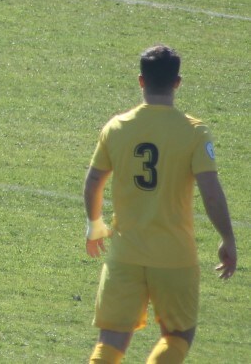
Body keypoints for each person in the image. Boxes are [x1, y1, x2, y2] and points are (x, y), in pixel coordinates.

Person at [83, 45, 237, 364]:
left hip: (125, 254)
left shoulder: (117, 127)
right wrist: (228, 238)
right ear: (177, 82)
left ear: (141, 81)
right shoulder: (193, 132)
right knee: (177, 336)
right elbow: (210, 192)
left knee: (111, 340)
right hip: (174, 257)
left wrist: (95, 225)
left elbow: (94, 181)